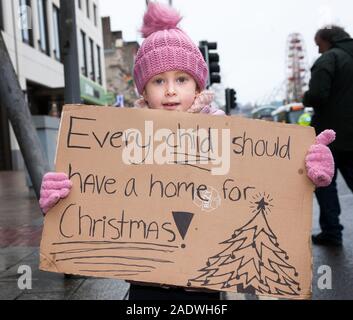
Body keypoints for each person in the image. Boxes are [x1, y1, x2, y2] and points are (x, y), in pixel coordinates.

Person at [39, 2, 335, 299]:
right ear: (143, 90)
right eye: (158, 80)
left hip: (202, 282)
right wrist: (61, 197)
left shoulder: (227, 135)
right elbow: (99, 190)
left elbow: (264, 182)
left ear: (197, 86)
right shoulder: (120, 138)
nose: (170, 90)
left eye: (181, 79)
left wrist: (309, 170)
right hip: (145, 285)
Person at [303, 25, 353, 247]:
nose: (318, 51)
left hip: (331, 135)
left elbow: (317, 95)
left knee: (325, 183)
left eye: (318, 45)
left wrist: (306, 96)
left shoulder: (330, 59)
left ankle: (332, 232)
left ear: (327, 40)